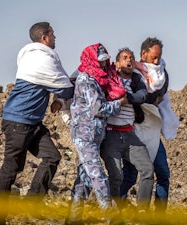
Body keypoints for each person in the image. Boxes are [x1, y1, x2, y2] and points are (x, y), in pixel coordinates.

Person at [0, 22, 74, 223]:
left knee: (52, 157)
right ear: (44, 38)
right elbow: (65, 88)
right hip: (18, 122)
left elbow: (60, 87)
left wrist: (59, 99)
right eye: (53, 34)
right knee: (11, 168)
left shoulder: (35, 57)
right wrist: (62, 96)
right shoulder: (40, 59)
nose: (55, 38)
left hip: (33, 123)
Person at [66, 43, 127, 225]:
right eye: (99, 62)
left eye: (104, 61)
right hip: (85, 135)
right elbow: (98, 108)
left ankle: (73, 218)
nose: (102, 65)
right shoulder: (86, 80)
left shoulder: (97, 79)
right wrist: (120, 104)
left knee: (84, 178)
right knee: (98, 175)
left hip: (94, 135)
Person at [120, 37, 179, 213]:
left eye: (158, 58)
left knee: (163, 173)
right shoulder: (134, 74)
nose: (156, 61)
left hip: (152, 131)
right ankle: (115, 208)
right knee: (130, 176)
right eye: (153, 57)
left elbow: (157, 95)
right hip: (135, 130)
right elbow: (142, 97)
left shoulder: (161, 75)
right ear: (143, 54)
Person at [100, 48, 154, 211]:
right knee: (116, 176)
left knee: (147, 170)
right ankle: (113, 212)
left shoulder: (136, 80)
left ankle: (142, 211)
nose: (129, 60)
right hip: (111, 135)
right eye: (124, 58)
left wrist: (126, 98)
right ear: (117, 63)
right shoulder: (109, 79)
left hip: (130, 135)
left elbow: (143, 96)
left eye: (131, 58)